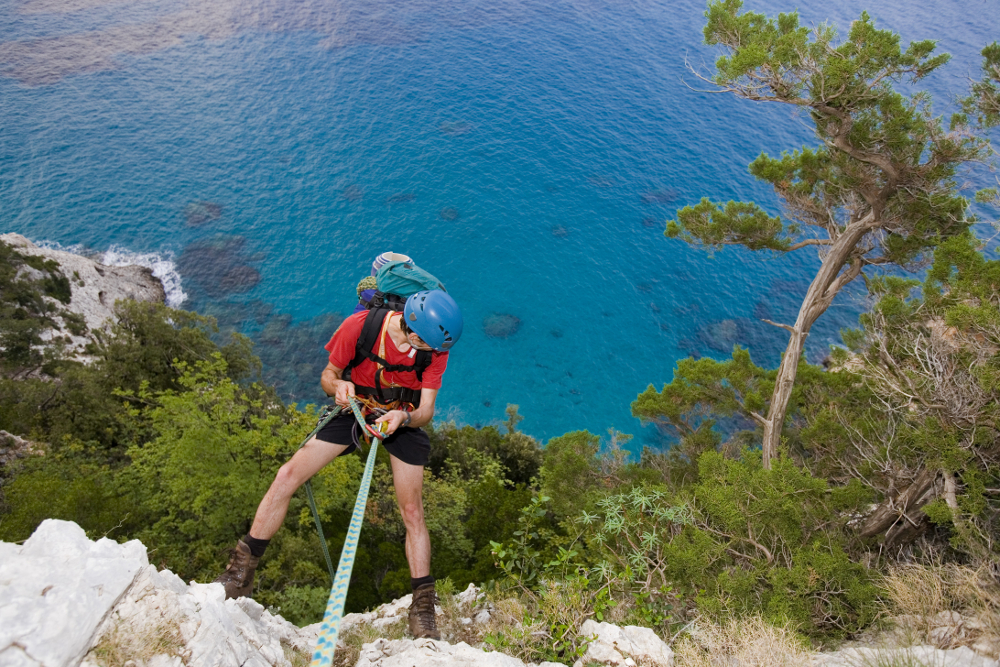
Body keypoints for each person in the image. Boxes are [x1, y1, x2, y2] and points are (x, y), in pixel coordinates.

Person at [213, 289, 463, 641]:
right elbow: (328, 375)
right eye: (426, 347)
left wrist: (402, 420)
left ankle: (422, 609)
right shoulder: (359, 327)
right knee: (286, 475)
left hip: (399, 417)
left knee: (412, 513)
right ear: (414, 331)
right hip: (355, 407)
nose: (431, 355)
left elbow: (425, 411)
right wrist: (339, 387)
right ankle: (239, 573)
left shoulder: (434, 351)